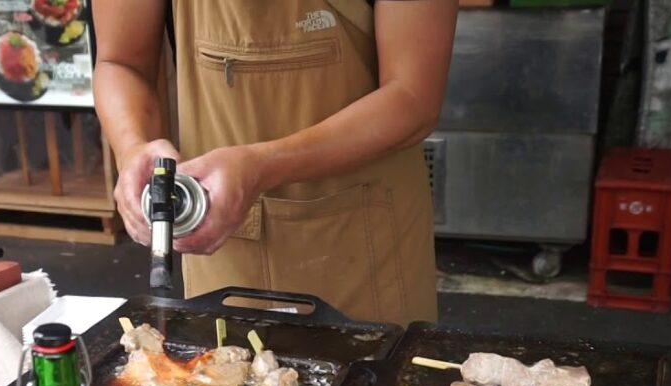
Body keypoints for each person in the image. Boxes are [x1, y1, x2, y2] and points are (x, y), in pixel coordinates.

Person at [94, 0, 457, 325]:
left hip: (366, 242)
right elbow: (120, 62)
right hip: (220, 237)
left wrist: (261, 167)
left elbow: (412, 97)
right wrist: (132, 148)